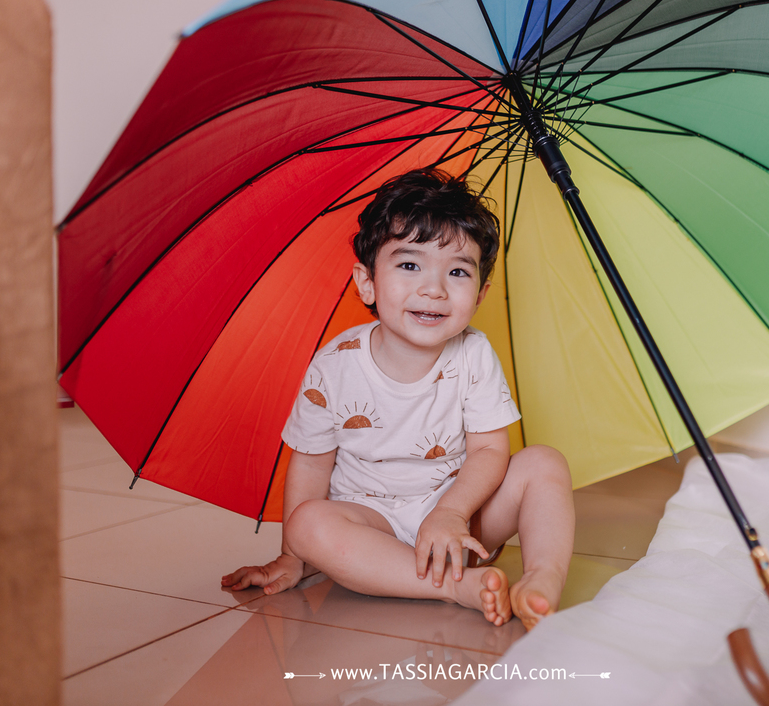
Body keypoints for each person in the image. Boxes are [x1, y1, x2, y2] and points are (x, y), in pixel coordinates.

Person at [222, 167, 575, 629]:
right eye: (410, 265)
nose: (434, 288)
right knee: (308, 524)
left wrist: (451, 512)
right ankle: (454, 586)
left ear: (481, 293)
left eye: (457, 271)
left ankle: (542, 577)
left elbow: (490, 450)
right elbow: (310, 464)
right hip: (374, 524)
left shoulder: (473, 353)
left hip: (462, 517)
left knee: (544, 462)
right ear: (366, 282)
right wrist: (294, 555)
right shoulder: (334, 367)